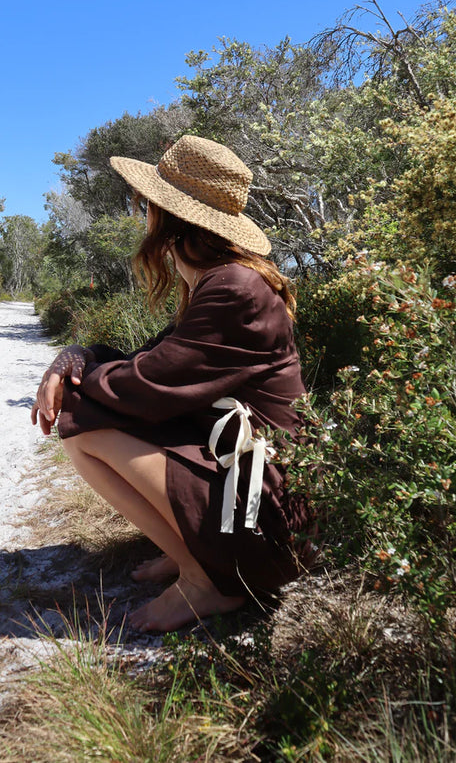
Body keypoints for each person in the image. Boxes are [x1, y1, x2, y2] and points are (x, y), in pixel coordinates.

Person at [32, 135, 314, 633]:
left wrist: (70, 381)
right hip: (255, 488)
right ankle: (187, 551)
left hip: (266, 514)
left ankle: (208, 580)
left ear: (167, 215)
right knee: (88, 403)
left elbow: (146, 385)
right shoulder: (223, 279)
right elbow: (152, 363)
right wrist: (73, 357)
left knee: (83, 422)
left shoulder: (235, 288)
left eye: (148, 204)